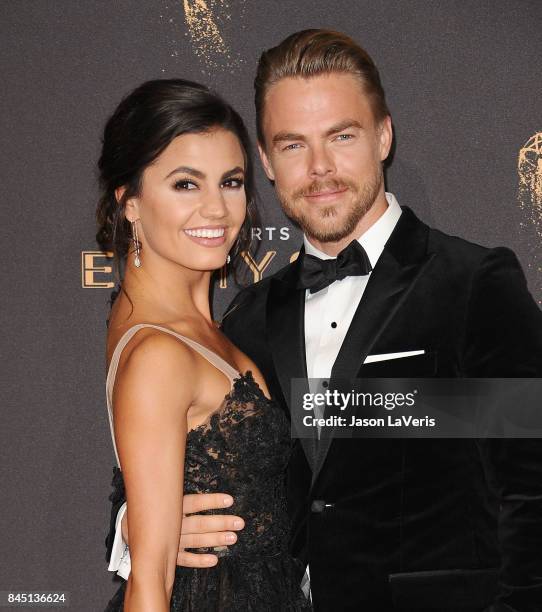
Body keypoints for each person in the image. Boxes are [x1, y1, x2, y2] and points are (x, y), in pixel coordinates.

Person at [106, 31, 542, 611]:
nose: (320, 168)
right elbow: (164, 466)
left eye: (341, 136)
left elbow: (532, 487)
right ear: (265, 160)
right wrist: (137, 531)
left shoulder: (472, 286)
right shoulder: (248, 320)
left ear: (383, 136)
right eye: (292, 146)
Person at [98, 79, 312, 611]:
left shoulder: (224, 324)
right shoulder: (158, 352)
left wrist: (143, 518)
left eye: (231, 181)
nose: (216, 209)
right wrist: (145, 528)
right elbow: (150, 583)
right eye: (186, 185)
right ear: (130, 202)